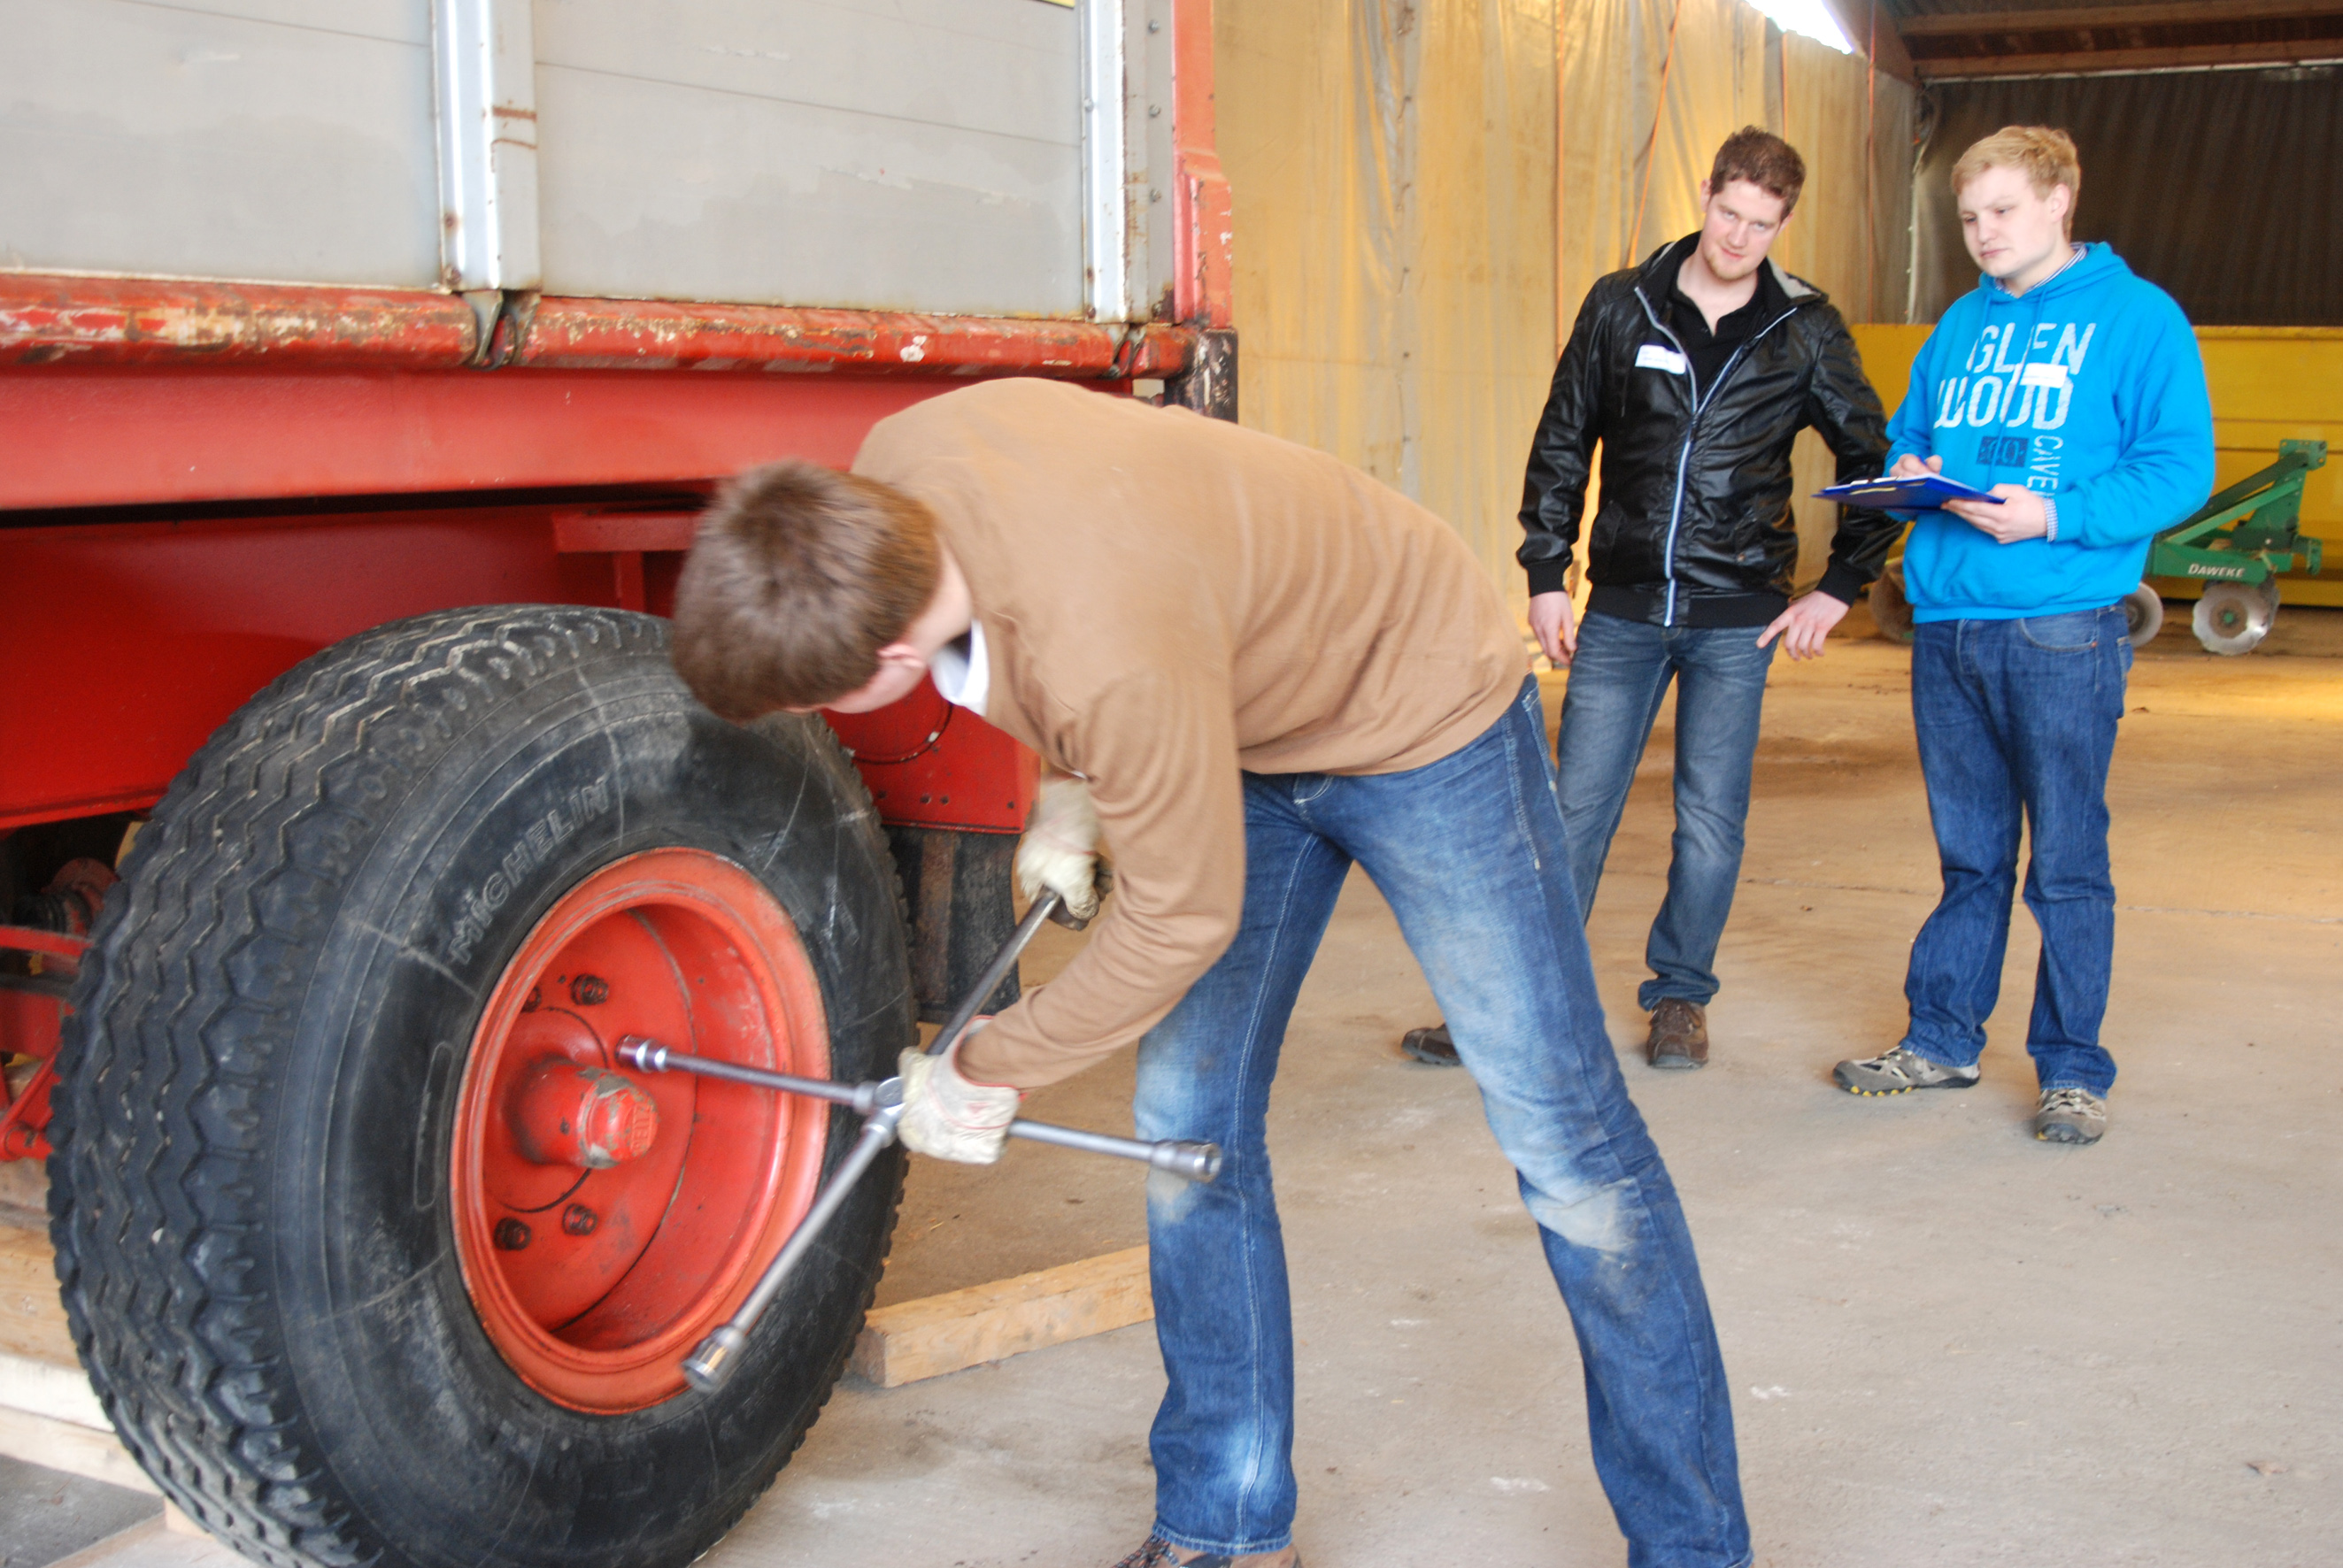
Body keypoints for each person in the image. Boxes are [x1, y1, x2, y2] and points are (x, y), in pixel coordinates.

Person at [670, 379, 1751, 1568]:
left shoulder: (1106, 651)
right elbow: (1102, 563)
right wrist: (1073, 788)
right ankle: (1225, 1527)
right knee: (1186, 1119)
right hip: (1229, 707)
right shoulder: (900, 463)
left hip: (1415, 701)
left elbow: (1178, 917)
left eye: (820, 699)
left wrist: (987, 1061)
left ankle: (1692, 1550)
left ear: (887, 654)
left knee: (1564, 1139)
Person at [1402, 127, 1895, 1073]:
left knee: (1709, 823)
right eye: (1728, 213)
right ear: (1705, 193)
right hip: (1622, 611)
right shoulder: (1620, 304)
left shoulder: (1804, 328)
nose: (1738, 238)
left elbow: (1870, 458)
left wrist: (1840, 587)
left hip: (1737, 619)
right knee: (1569, 812)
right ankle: (1514, 1004)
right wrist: (1545, 572)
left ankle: (1680, 998)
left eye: (1760, 225)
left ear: (1783, 223)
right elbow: (1562, 437)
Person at [1831, 127, 2213, 1145]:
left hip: (2060, 628)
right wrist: (1907, 473)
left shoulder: (2138, 318)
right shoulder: (1961, 321)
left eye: (2001, 210)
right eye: (1967, 216)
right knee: (1970, 855)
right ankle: (1940, 1038)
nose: (1982, 232)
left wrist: (2053, 513)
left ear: (2058, 200)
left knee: (2068, 863)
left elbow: (2180, 467)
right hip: (1948, 625)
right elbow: (1914, 432)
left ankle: (2072, 1071)